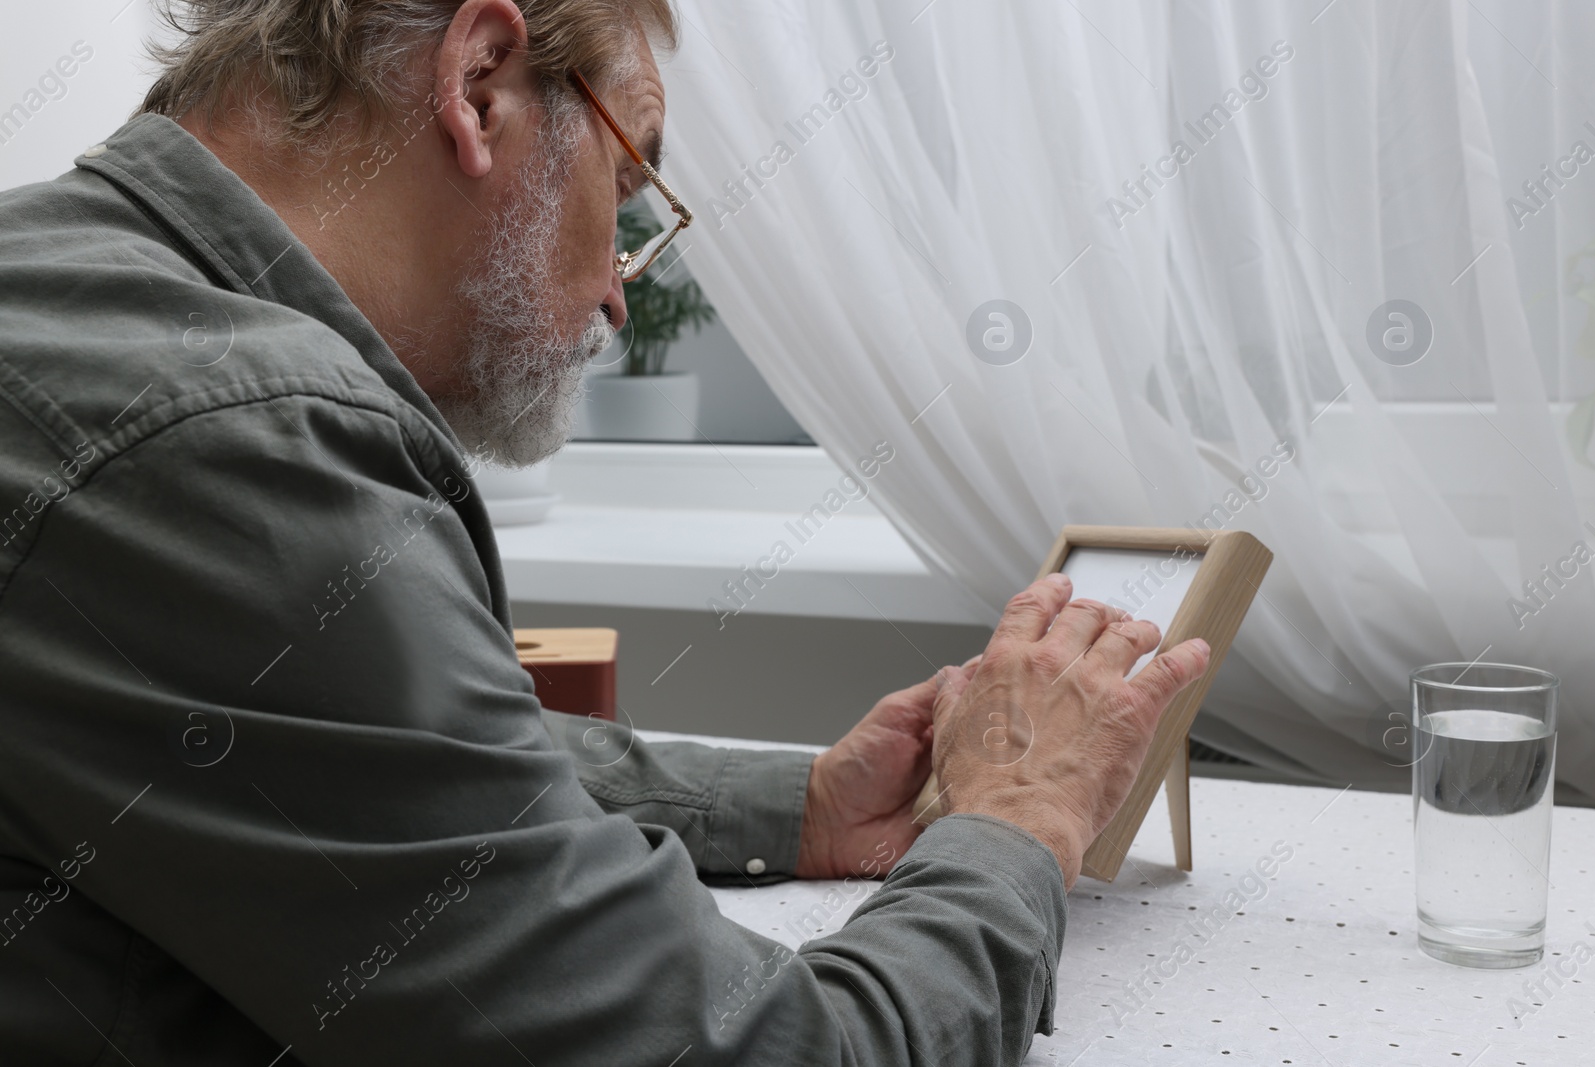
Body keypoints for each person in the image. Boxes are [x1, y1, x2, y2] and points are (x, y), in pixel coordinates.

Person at [0, 1, 1210, 1063]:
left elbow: (340, 752)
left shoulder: (59, 288)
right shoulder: (235, 439)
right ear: (480, 84)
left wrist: (795, 805)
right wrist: (1016, 821)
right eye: (628, 186)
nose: (624, 289)